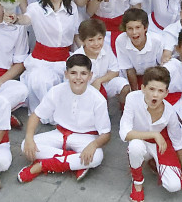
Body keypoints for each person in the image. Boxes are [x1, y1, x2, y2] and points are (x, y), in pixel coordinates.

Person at [18, 54, 112, 183]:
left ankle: (42, 165)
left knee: (97, 157)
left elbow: (106, 134)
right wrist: (29, 138)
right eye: (73, 73)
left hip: (86, 137)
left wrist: (93, 145)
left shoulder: (98, 99)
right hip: (60, 133)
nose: (78, 78)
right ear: (66, 74)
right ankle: (74, 161)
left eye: (83, 73)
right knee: (25, 145)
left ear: (90, 76)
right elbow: (36, 115)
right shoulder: (56, 91)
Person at [120, 65, 182, 202]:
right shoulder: (132, 98)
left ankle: (155, 162)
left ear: (166, 93)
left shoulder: (169, 112)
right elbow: (124, 133)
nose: (155, 95)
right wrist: (154, 134)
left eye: (160, 91)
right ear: (143, 88)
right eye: (151, 89)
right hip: (140, 141)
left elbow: (177, 142)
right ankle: (137, 182)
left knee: (174, 186)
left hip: (160, 145)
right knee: (135, 147)